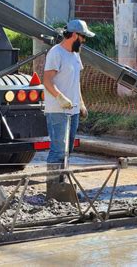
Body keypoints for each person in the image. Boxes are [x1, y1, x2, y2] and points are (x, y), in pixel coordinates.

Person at [43, 19, 95, 193]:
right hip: (58, 110)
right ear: (74, 35)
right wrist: (60, 98)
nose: (84, 40)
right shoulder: (56, 53)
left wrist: (81, 103)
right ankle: (53, 189)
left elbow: (76, 82)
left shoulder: (74, 54)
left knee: (68, 148)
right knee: (58, 149)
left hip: (72, 111)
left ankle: (61, 184)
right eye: (83, 37)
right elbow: (47, 80)